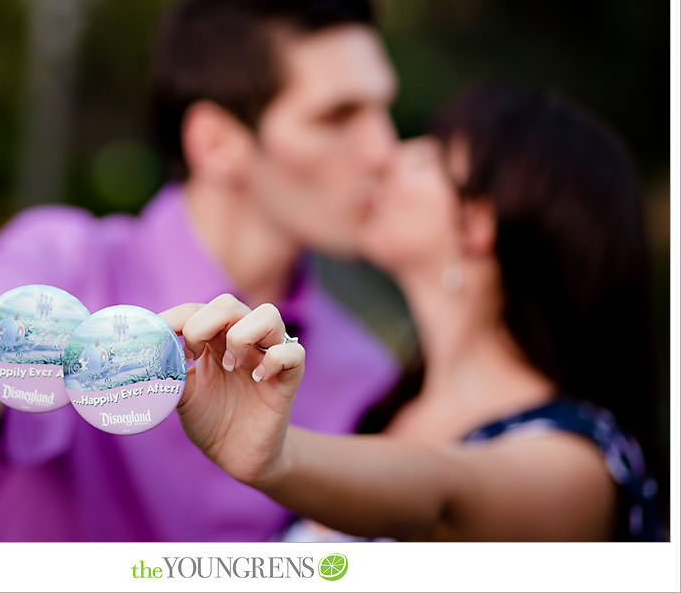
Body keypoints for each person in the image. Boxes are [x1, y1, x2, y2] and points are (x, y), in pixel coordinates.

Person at [0, 0, 400, 541]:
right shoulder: (62, 258)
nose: (384, 150)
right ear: (216, 142)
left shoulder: (365, 373)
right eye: (338, 116)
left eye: (384, 111)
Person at [164, 83, 665, 541]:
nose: (383, 159)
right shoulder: (375, 410)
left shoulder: (580, 463)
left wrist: (276, 458)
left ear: (479, 222)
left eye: (426, 156)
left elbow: (445, 500)